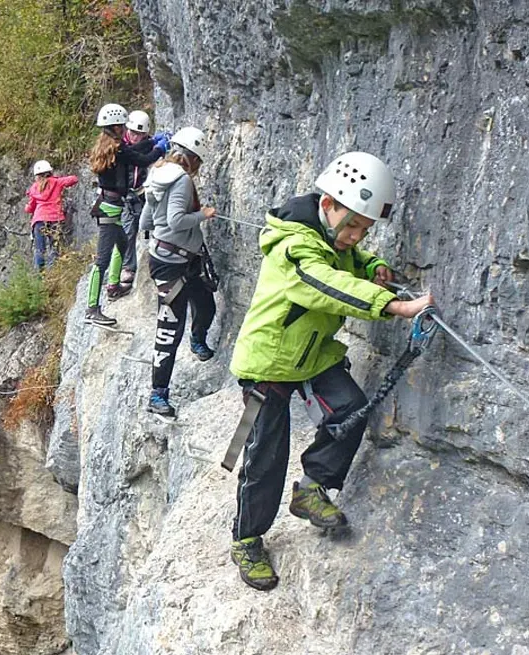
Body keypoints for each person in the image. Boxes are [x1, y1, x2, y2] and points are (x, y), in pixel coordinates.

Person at [227, 151, 435, 591]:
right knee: (264, 456)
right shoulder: (294, 246)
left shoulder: (331, 239)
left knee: (350, 409)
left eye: (365, 230)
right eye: (353, 225)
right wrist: (392, 305)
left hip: (312, 355)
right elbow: (324, 283)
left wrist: (374, 266)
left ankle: (312, 488)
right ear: (327, 205)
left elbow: (350, 263)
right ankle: (246, 540)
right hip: (268, 364)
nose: (356, 236)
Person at [138, 126, 217, 420]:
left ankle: (198, 340)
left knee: (206, 305)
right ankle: (158, 394)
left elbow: (146, 221)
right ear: (192, 157)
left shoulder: (158, 173)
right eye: (198, 161)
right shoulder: (181, 180)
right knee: (170, 327)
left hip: (174, 259)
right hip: (173, 265)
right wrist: (203, 215)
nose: (198, 167)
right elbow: (175, 221)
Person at [85, 103, 166, 328]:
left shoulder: (108, 145)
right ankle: (92, 309)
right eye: (122, 126)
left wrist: (152, 140)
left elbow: (135, 150)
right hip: (110, 209)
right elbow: (142, 159)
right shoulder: (118, 149)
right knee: (101, 261)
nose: (124, 129)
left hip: (111, 204)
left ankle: (114, 287)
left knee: (122, 244)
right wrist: (161, 147)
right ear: (116, 127)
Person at [105, 110, 169, 298]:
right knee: (128, 231)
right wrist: (158, 147)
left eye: (139, 134)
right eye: (132, 132)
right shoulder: (121, 146)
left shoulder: (147, 143)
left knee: (151, 225)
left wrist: (155, 144)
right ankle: (128, 267)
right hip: (125, 194)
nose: (134, 136)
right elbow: (141, 158)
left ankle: (156, 261)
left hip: (143, 192)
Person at [25, 160, 78, 271]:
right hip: (55, 219)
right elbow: (74, 179)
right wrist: (57, 179)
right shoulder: (57, 182)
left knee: (40, 249)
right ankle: (54, 271)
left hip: (39, 220)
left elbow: (30, 208)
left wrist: (27, 207)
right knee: (55, 246)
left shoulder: (34, 188)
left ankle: (41, 273)